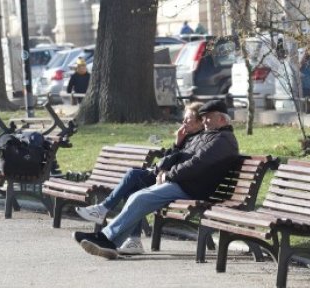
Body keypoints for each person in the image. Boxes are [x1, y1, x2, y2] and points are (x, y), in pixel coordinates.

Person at [75, 99, 239, 260]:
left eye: (209, 117)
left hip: (194, 189)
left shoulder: (223, 140)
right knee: (137, 197)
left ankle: (106, 238)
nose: (205, 120)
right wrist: (166, 166)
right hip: (185, 184)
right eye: (203, 117)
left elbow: (196, 164)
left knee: (140, 198)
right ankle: (109, 241)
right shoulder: (208, 136)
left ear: (222, 119)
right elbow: (183, 157)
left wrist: (168, 175)